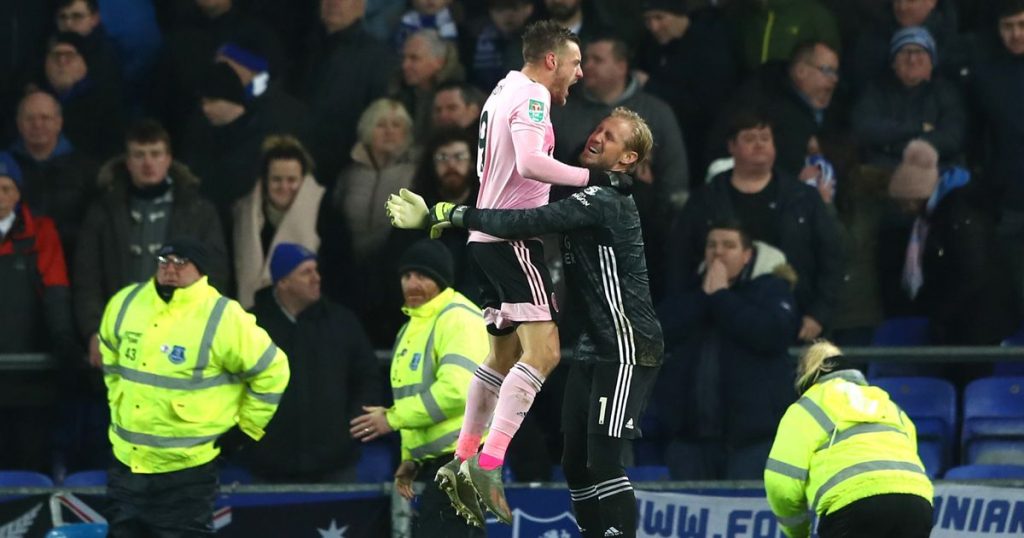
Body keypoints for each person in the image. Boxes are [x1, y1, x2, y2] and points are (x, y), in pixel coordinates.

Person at [388, 107, 663, 537]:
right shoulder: (595, 188)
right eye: (598, 129)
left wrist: (451, 214)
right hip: (596, 343)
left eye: (609, 137)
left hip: (629, 344)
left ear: (627, 158)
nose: (596, 137)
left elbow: (530, 220)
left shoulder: (606, 199)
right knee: (574, 460)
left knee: (604, 459)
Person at [399, 19, 628, 524]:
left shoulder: (501, 89)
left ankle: (460, 458)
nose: (579, 71)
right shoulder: (531, 96)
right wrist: (596, 177)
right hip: (511, 240)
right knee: (543, 353)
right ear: (551, 61)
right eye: (574, 62)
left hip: (485, 241)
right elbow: (529, 163)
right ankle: (490, 460)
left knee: (500, 356)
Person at [98, 237, 289, 536]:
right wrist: (116, 399)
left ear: (200, 270)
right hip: (127, 464)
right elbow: (108, 353)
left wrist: (247, 428)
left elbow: (272, 369)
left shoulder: (222, 315)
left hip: (186, 470)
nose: (170, 269)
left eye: (181, 262)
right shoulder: (126, 302)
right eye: (164, 261)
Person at [666, 110, 844, 343]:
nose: (759, 145)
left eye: (765, 138)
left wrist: (818, 316)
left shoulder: (803, 197)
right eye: (749, 139)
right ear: (731, 146)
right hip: (717, 325)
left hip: (792, 321)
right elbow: (679, 261)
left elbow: (832, 258)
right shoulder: (705, 200)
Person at [350, 239, 488, 537]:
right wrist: (410, 458)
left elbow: (458, 390)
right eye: (406, 276)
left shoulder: (457, 318)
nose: (411, 283)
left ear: (441, 280)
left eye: (422, 276)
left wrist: (390, 418)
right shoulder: (411, 327)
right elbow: (413, 398)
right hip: (444, 463)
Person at [74, 119, 228, 369]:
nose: (148, 163)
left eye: (155, 154)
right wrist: (94, 331)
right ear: (127, 161)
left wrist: (199, 329)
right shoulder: (103, 212)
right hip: (118, 338)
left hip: (182, 339)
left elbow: (216, 275)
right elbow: (87, 279)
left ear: (168, 158)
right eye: (139, 155)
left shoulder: (198, 211)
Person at [657, 221, 800, 480]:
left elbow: (772, 335)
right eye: (712, 245)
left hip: (751, 441)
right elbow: (659, 332)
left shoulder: (770, 289)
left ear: (747, 255)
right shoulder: (688, 290)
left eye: (728, 245)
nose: (718, 252)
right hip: (690, 440)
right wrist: (705, 296)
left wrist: (721, 297)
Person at [764, 340, 934, 538]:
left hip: (853, 506)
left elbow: (780, 483)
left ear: (804, 374)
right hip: (916, 503)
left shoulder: (806, 407)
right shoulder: (887, 403)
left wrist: (797, 532)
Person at [242, 243, 379, 482]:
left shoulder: (341, 322)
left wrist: (351, 427)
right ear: (283, 282)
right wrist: (247, 438)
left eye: (316, 270)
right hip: (268, 467)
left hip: (335, 463)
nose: (316, 278)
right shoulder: (250, 326)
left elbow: (366, 377)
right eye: (306, 272)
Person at [0, 151, 79, 474]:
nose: (0, 196)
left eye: (6, 188)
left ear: (19, 194)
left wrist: (63, 341)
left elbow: (55, 292)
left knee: (30, 463)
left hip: (30, 382)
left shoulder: (41, 233)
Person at [851, 26, 966, 168]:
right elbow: (863, 128)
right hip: (883, 173)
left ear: (932, 62)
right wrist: (919, 128)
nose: (912, 59)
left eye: (920, 52)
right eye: (904, 52)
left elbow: (951, 138)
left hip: (933, 173)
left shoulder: (946, 92)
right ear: (893, 62)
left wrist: (894, 147)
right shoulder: (876, 90)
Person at [233, 135, 324, 309]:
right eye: (276, 180)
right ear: (265, 181)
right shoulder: (242, 215)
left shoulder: (324, 213)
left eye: (292, 180)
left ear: (303, 180)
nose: (284, 187)